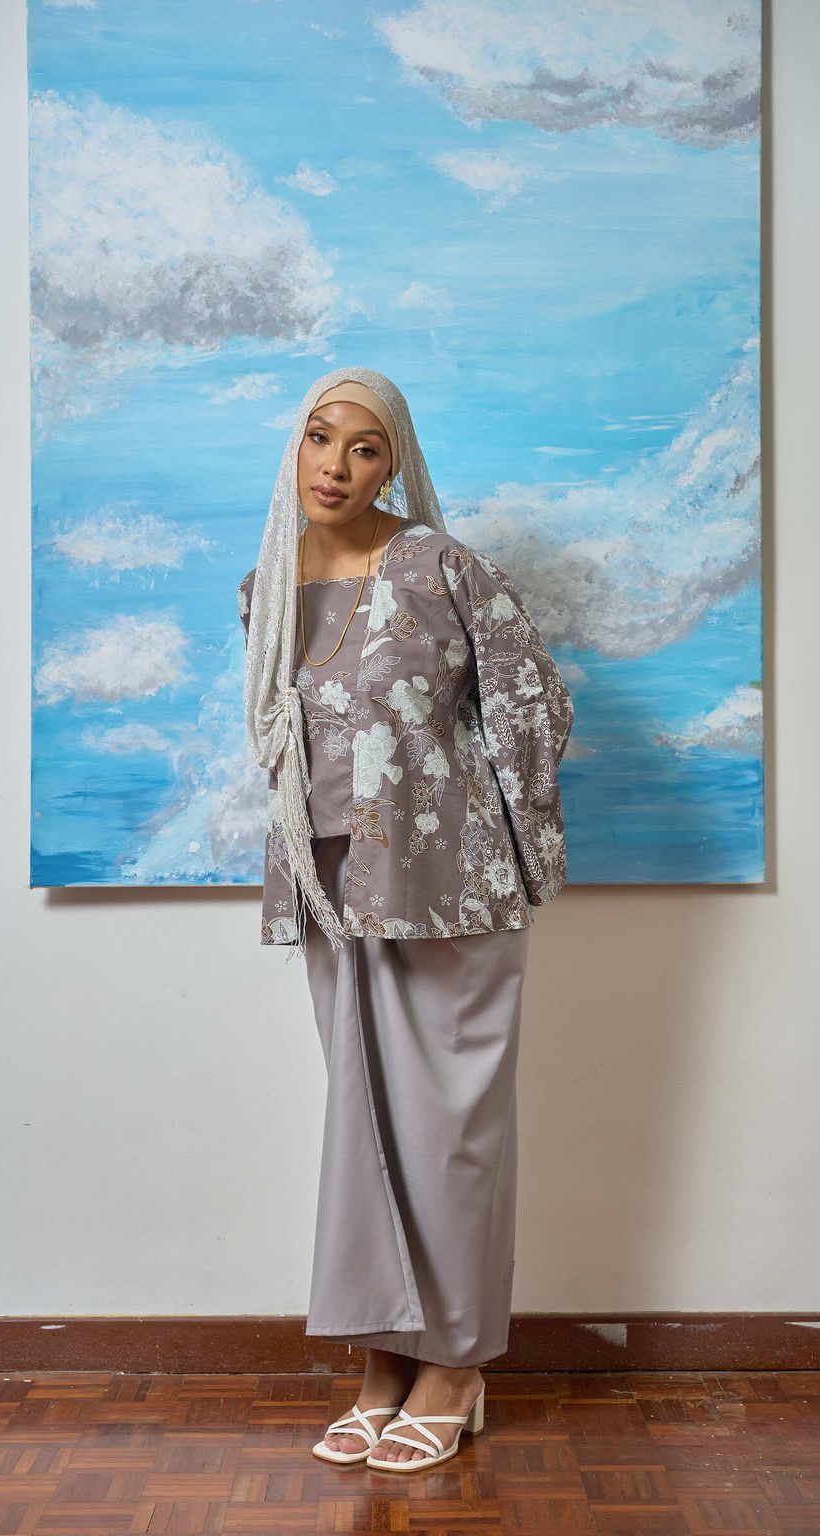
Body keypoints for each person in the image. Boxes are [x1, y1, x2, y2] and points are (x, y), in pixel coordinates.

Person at [237, 367, 573, 1471]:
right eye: (319, 437)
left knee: (450, 1129)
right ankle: (384, 1358)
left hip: (449, 886)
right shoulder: (266, 584)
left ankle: (456, 1364)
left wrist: (509, 842)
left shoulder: (438, 565)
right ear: (295, 447)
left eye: (365, 446)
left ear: (394, 463)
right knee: (365, 1125)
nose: (336, 465)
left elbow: (530, 703)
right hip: (335, 891)